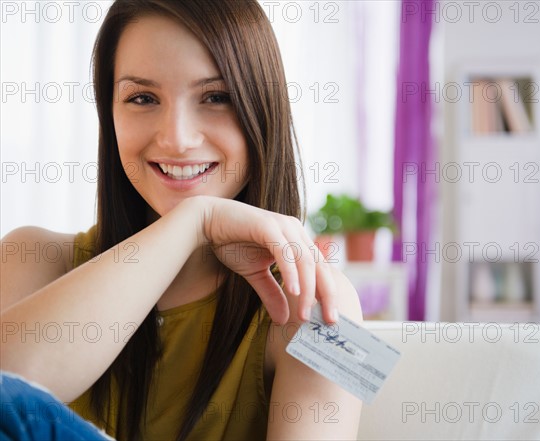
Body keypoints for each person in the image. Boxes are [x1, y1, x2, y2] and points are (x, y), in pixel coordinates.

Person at [0, 1, 363, 440]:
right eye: (142, 98)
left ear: (262, 108)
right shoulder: (31, 257)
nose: (176, 138)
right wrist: (194, 221)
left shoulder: (326, 302)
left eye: (216, 97)